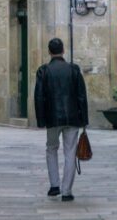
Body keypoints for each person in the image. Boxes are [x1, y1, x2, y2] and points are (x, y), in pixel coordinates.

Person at [34, 37, 89, 201]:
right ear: (63, 50)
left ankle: (54, 185)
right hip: (72, 118)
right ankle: (66, 191)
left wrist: (41, 119)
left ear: (49, 52)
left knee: (51, 148)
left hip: (52, 118)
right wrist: (84, 119)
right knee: (70, 152)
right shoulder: (73, 70)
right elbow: (81, 96)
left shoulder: (43, 71)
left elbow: (38, 97)